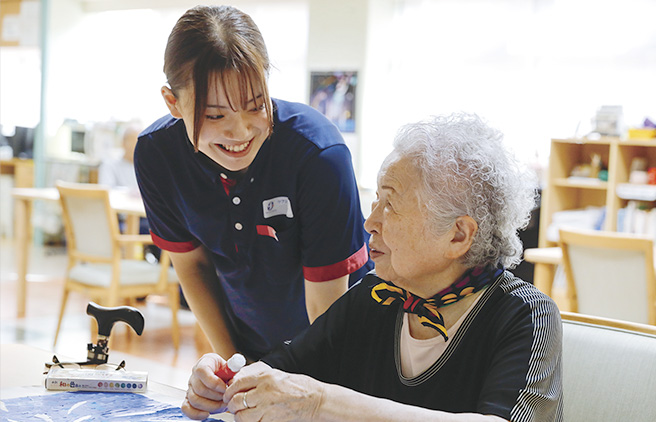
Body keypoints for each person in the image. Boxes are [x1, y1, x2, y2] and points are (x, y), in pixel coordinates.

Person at [182, 113, 563, 421]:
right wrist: (225, 381)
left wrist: (321, 404)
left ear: (458, 236)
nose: (370, 223)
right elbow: (282, 369)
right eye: (375, 201)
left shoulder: (525, 315)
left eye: (391, 205)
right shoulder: (374, 296)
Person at [134, 5, 373, 361]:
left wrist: (310, 389)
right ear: (173, 102)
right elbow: (191, 266)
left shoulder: (318, 155)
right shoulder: (158, 155)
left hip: (346, 347)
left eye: (256, 105)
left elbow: (327, 310)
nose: (241, 132)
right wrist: (236, 366)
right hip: (253, 342)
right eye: (215, 115)